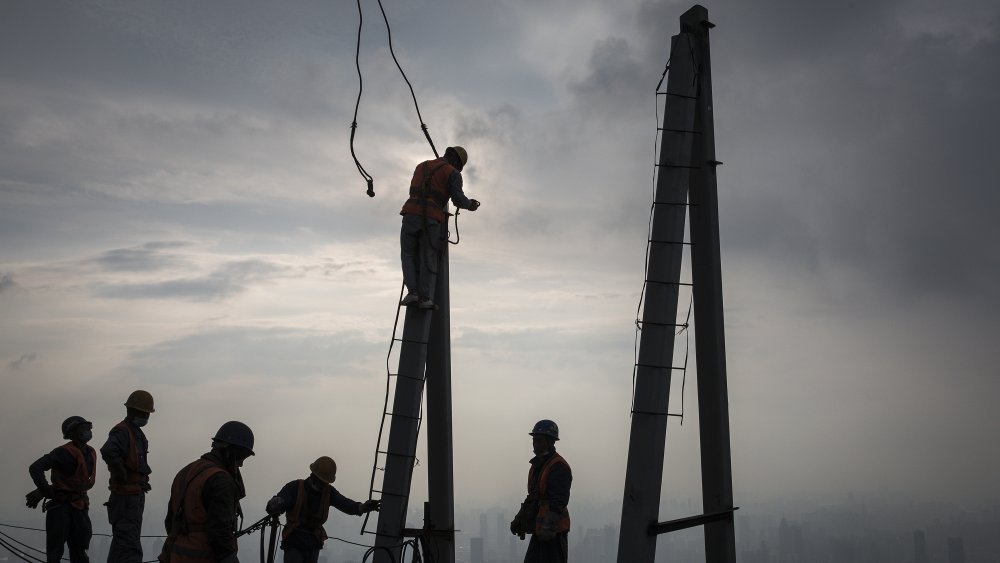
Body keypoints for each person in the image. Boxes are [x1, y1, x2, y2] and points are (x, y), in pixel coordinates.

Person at [159, 421, 255, 563]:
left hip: (172, 555)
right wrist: (229, 557)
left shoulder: (186, 472)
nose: (241, 464)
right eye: (241, 457)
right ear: (229, 451)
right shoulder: (221, 480)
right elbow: (219, 531)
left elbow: (170, 521)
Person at [399, 145, 480, 309]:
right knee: (428, 255)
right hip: (431, 218)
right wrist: (470, 205)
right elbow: (457, 199)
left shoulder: (421, 165)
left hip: (410, 213)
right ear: (458, 162)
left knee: (408, 254)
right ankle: (424, 298)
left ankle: (412, 292)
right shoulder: (453, 173)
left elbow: (415, 189)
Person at [265, 456, 380, 563]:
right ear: (312, 475)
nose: (322, 485)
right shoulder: (295, 488)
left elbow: (346, 504)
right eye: (320, 481)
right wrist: (275, 503)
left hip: (313, 542)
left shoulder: (328, 492)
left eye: (324, 482)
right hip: (294, 541)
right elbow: (280, 502)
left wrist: (363, 507)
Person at [27, 416, 99, 563]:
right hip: (61, 509)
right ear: (73, 433)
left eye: (88, 427)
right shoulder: (63, 452)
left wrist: (41, 491)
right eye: (83, 428)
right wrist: (46, 491)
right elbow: (36, 468)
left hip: (79, 507)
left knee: (80, 551)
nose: (87, 431)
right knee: (55, 553)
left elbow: (74, 481)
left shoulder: (90, 452)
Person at [101, 390, 155, 563]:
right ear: (133, 411)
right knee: (128, 546)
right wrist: (120, 471)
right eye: (144, 413)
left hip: (132, 496)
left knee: (123, 544)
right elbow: (108, 450)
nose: (146, 416)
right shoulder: (123, 431)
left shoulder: (135, 432)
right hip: (125, 498)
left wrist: (140, 482)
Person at [509, 420, 572, 563]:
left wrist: (548, 528)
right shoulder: (538, 465)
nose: (536, 445)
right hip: (540, 530)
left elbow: (558, 502)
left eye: (540, 441)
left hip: (553, 533)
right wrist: (520, 519)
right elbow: (533, 497)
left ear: (551, 442)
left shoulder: (558, 466)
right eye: (534, 441)